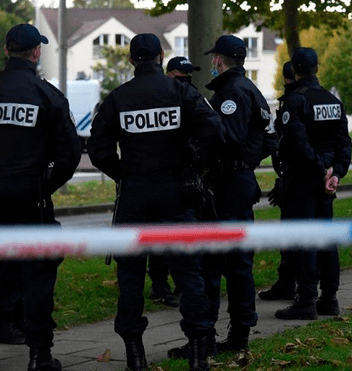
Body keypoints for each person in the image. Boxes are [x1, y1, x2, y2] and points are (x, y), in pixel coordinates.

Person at [87, 33, 224, 371]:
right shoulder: (181, 92)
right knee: (188, 272)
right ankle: (197, 355)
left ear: (132, 59)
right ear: (161, 56)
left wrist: (123, 173)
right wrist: (195, 165)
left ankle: (136, 357)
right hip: (176, 191)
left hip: (134, 194)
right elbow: (215, 134)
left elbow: (98, 148)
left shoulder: (118, 98)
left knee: (131, 275)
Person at [0, 23, 82, 371]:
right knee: (37, 278)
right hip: (33, 202)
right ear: (36, 53)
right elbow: (70, 153)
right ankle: (39, 356)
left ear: (6, 51)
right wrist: (43, 185)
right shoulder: (47, 94)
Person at [169, 35, 277, 358]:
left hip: (226, 184)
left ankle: (205, 337)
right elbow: (271, 142)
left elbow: (223, 137)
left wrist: (200, 159)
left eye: (214, 58)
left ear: (219, 59)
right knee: (239, 260)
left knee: (214, 261)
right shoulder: (253, 91)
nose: (212, 64)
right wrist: (248, 162)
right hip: (241, 181)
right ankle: (239, 334)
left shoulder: (230, 94)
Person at [273, 47, 352, 320]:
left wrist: (321, 171)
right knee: (326, 237)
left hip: (303, 179)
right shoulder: (332, 99)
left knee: (306, 237)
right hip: (326, 178)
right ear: (316, 68)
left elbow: (296, 143)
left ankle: (306, 299)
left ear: (294, 70)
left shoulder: (296, 101)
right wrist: (335, 173)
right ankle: (329, 298)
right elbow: (344, 142)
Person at [146, 55, 204, 310]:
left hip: (184, 176)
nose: (187, 83)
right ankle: (160, 285)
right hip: (156, 176)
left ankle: (179, 284)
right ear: (168, 74)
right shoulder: (158, 97)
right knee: (160, 235)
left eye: (190, 78)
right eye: (182, 78)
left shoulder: (191, 97)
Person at [259, 61, 299, 301]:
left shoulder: (294, 103)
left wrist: (287, 177)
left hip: (297, 180)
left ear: (286, 79)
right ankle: (289, 284)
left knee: (294, 236)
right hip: (303, 177)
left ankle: (297, 289)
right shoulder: (322, 99)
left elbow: (291, 144)